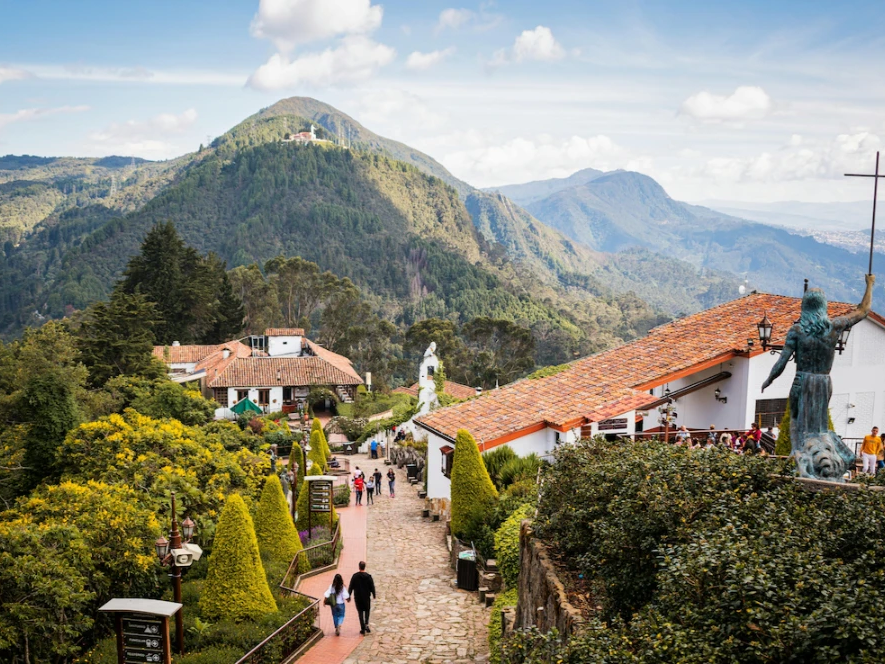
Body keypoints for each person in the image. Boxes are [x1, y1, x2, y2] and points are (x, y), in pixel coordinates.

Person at [348, 561, 376, 635]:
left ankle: (362, 628)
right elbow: (372, 586)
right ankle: (366, 623)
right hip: (366, 597)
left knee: (360, 612)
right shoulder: (369, 577)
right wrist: (374, 594)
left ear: (359, 567)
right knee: (367, 610)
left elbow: (351, 586)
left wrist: (349, 595)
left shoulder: (355, 576)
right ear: (364, 567)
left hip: (358, 597)